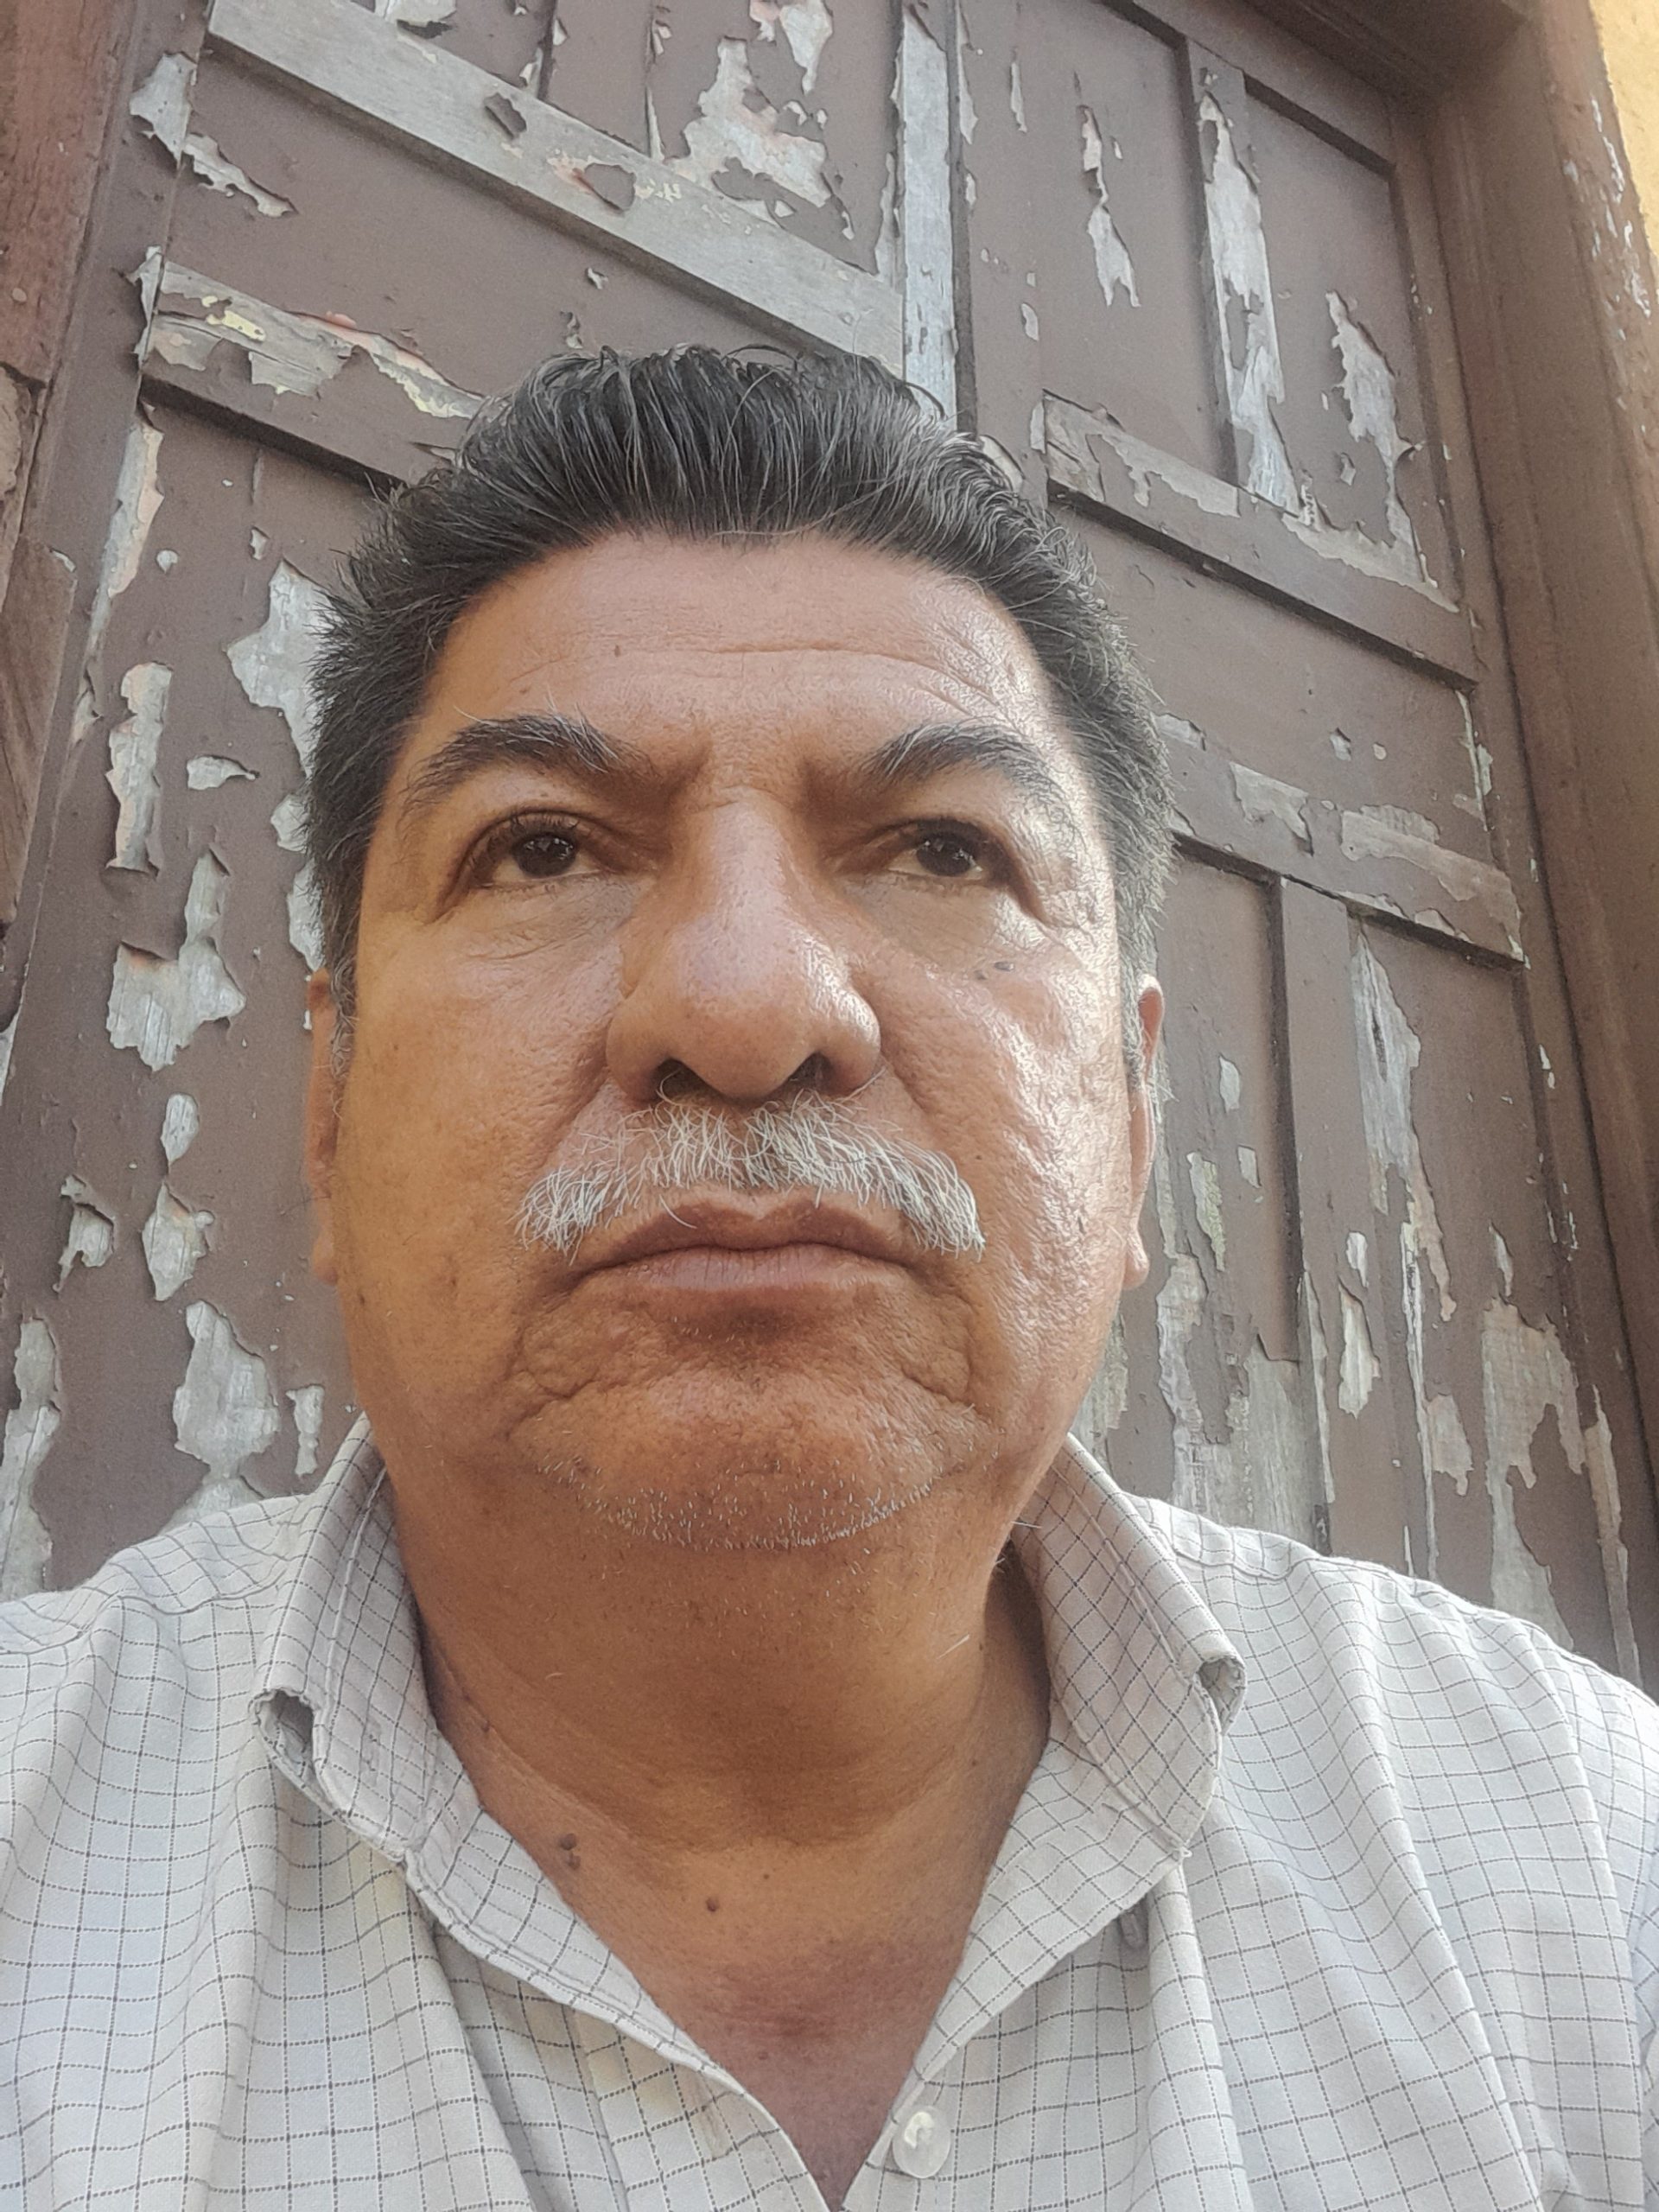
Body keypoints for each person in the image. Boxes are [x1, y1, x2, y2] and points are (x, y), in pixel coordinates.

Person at [0, 348, 1653, 2211]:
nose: (745, 1004)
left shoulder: (1580, 1871)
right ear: (327, 1101)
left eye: (945, 849)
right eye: (541, 846)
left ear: (1129, 1117)